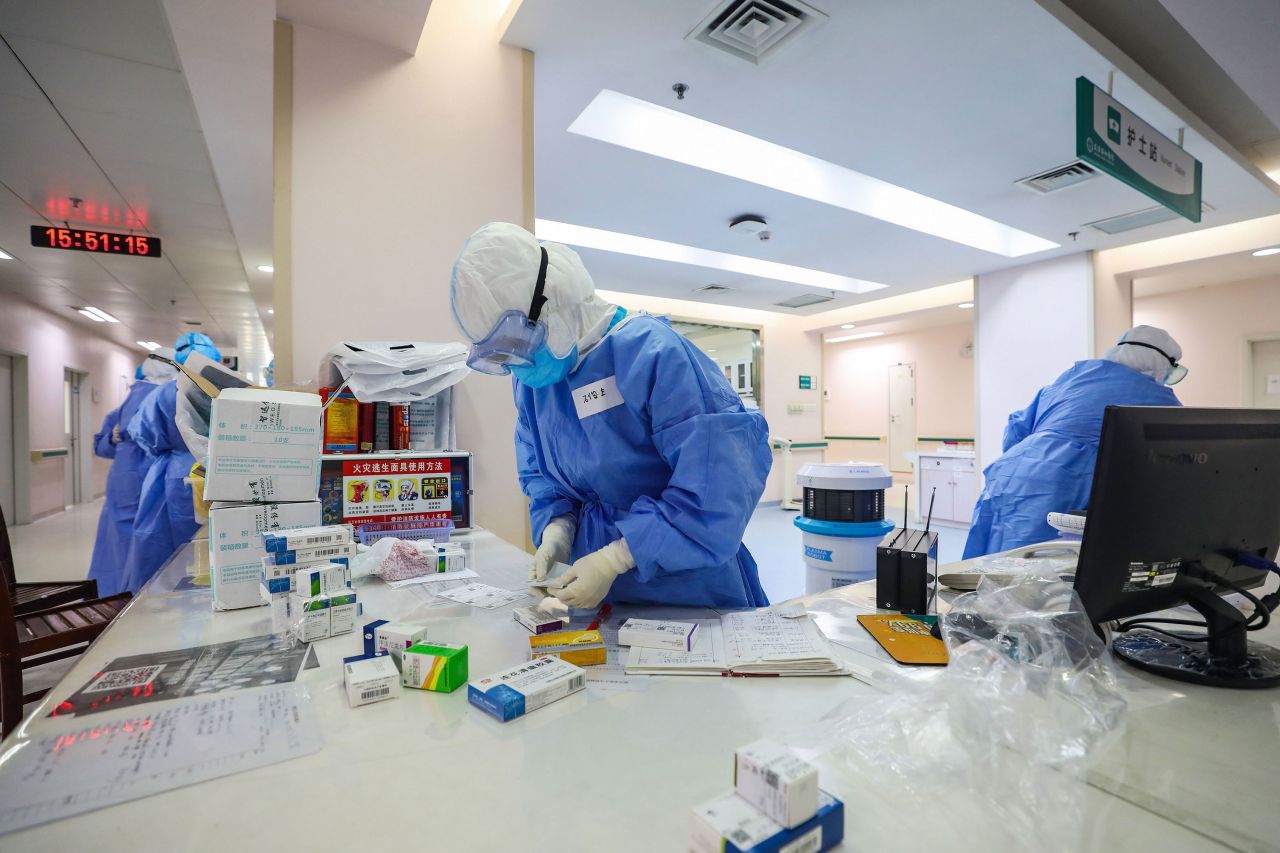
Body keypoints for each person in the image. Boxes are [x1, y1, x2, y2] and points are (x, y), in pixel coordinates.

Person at [451, 222, 772, 609]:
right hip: (594, 595)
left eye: (520, 341)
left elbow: (718, 488)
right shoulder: (536, 382)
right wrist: (558, 527)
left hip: (690, 588)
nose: (518, 362)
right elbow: (542, 476)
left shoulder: (652, 355)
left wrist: (616, 558)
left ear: (554, 299)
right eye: (503, 354)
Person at [963, 325, 1184, 558]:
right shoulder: (1160, 398)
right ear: (1160, 363)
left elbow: (1016, 427)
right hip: (1069, 482)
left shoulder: (1073, 376)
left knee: (994, 561)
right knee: (1045, 569)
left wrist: (1030, 462)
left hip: (1011, 473)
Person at [120, 333, 221, 593]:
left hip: (171, 475)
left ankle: (158, 606)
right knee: (216, 547)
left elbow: (145, 435)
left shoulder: (163, 394)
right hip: (220, 472)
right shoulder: (226, 391)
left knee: (163, 550)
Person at [86, 352, 177, 595]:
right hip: (149, 480)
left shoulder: (130, 403)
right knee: (149, 543)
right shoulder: (169, 396)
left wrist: (114, 438)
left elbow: (102, 446)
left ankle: (121, 594)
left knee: (123, 541)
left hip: (126, 482)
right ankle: (136, 593)